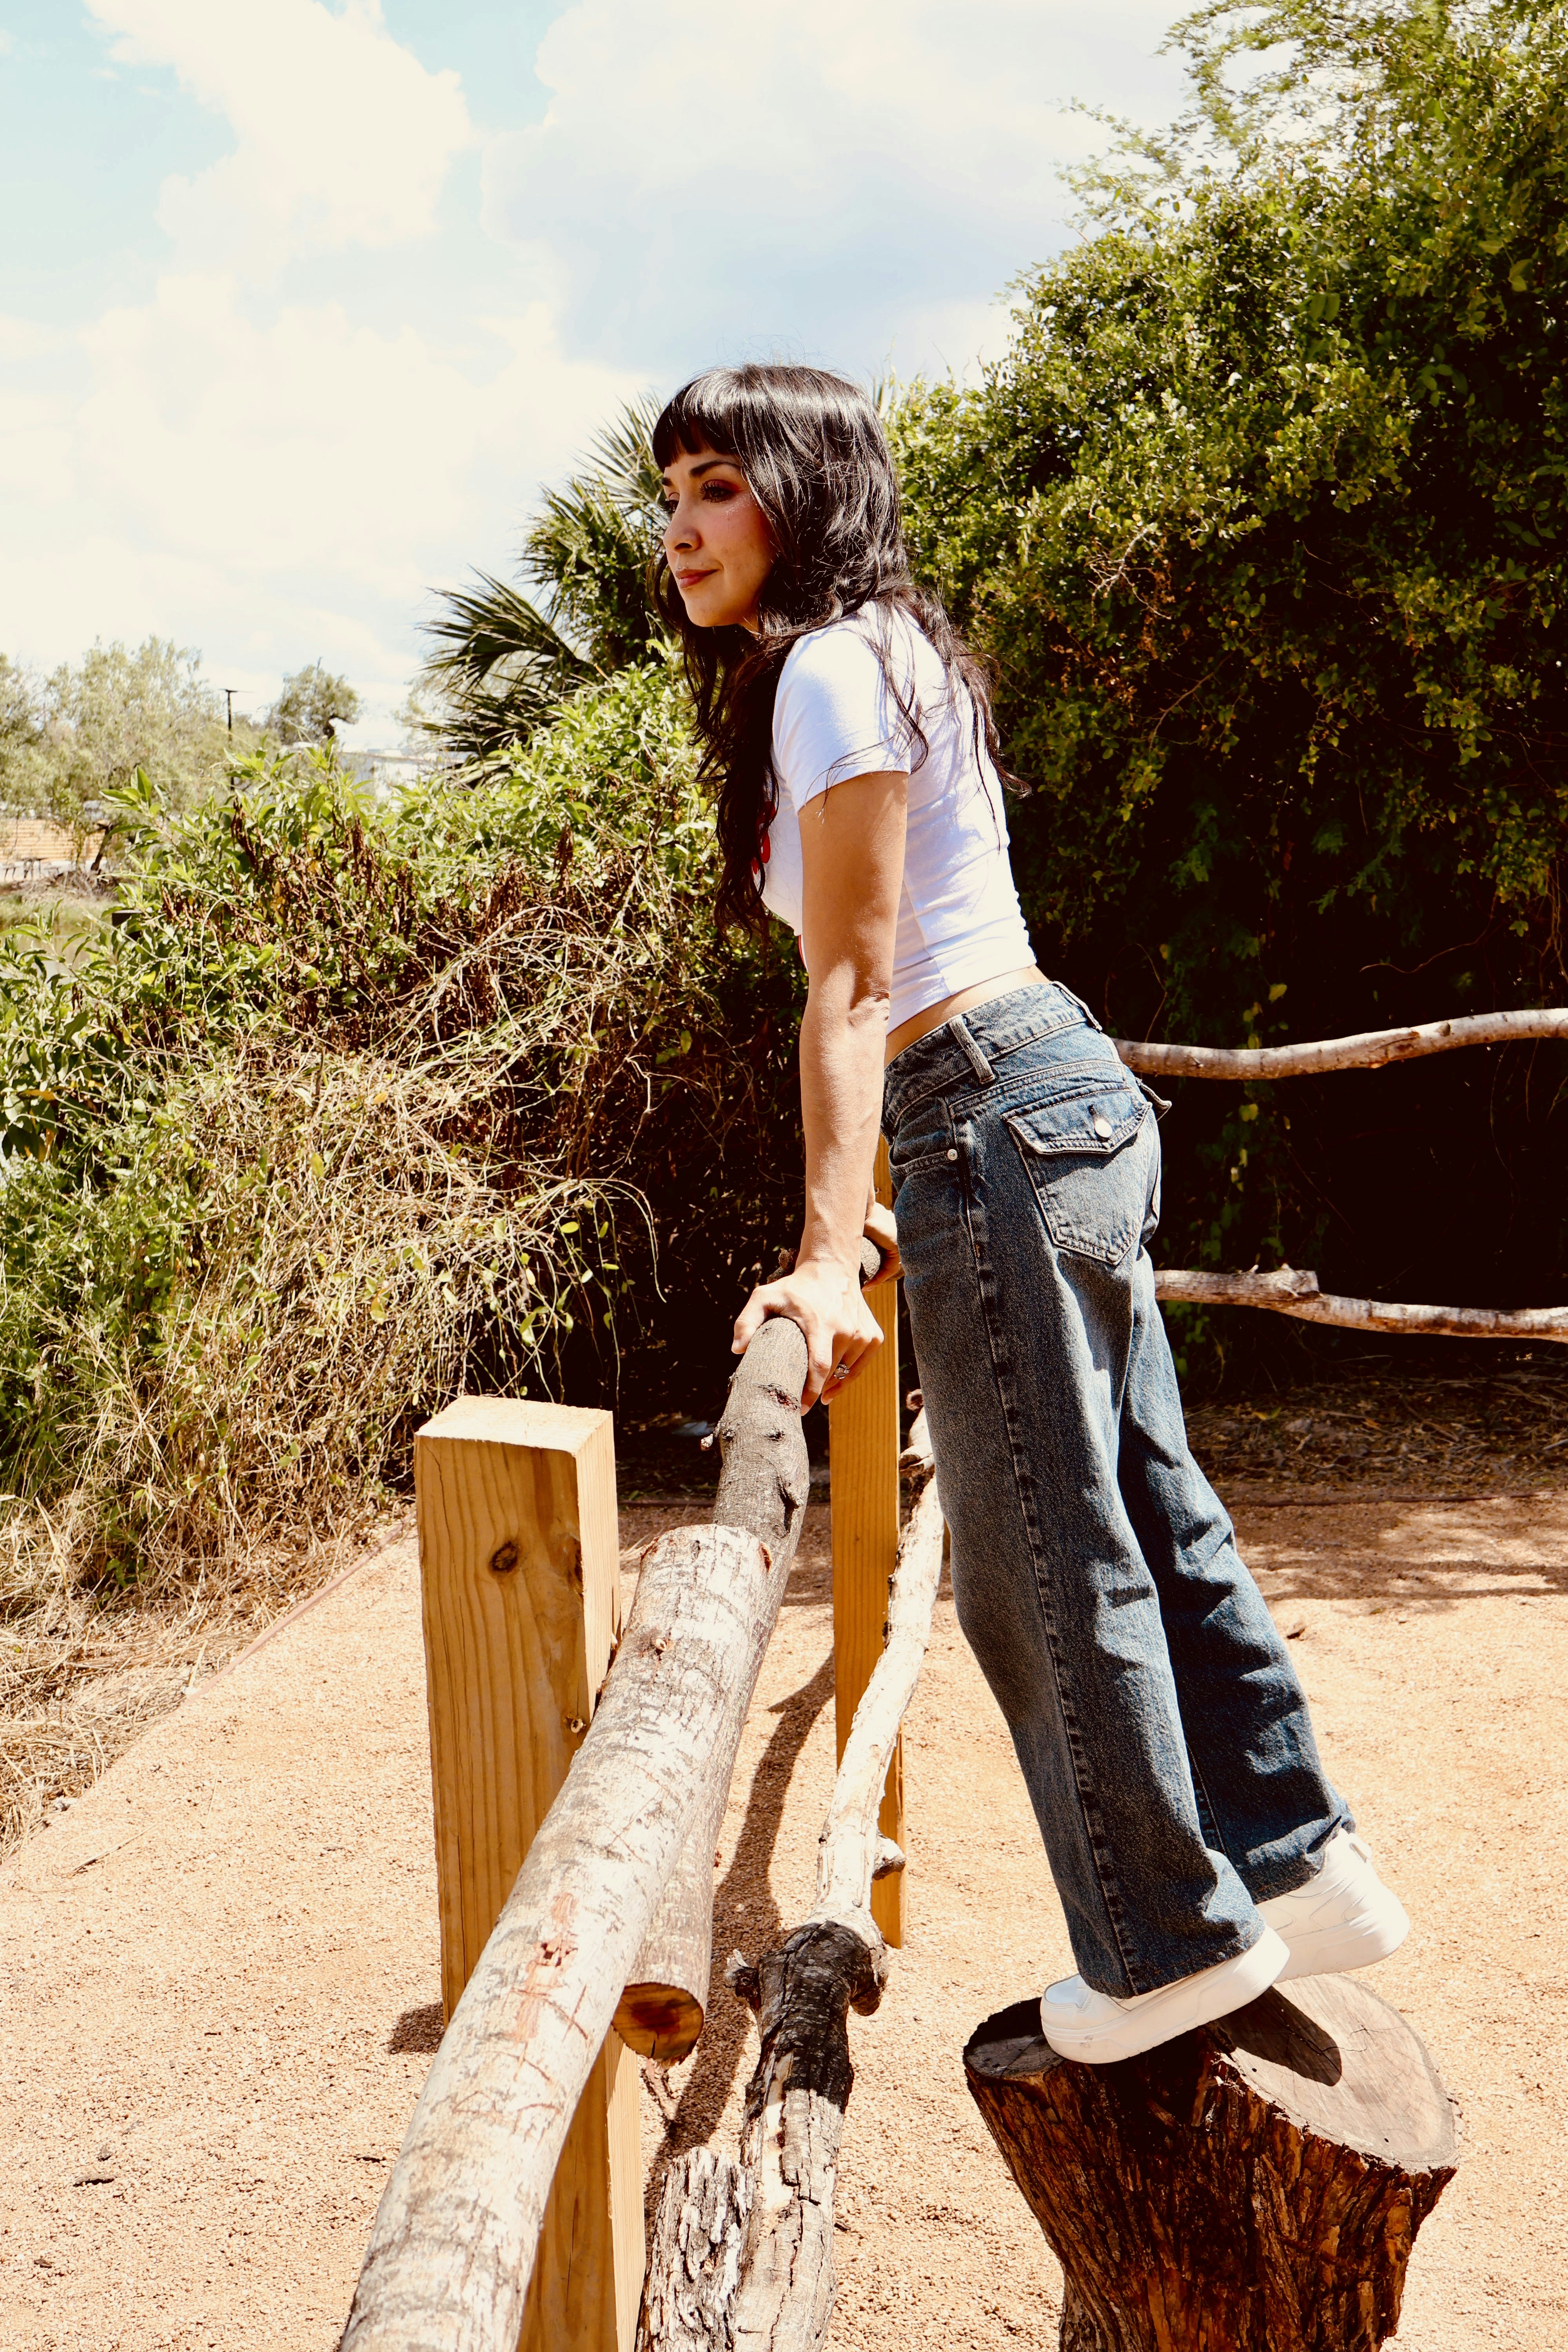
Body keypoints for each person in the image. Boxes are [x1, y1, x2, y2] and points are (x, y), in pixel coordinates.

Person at [653, 362, 1408, 2064]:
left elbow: (850, 985)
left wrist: (823, 1256)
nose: (681, 528)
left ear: (805, 489)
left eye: (717, 485)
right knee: (1144, 1493)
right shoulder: (902, 653)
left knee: (1033, 1557)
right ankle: (1296, 1867)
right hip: (1047, 1082)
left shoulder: (833, 669)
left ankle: (1158, 1945)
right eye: (673, 491)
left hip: (979, 1099)